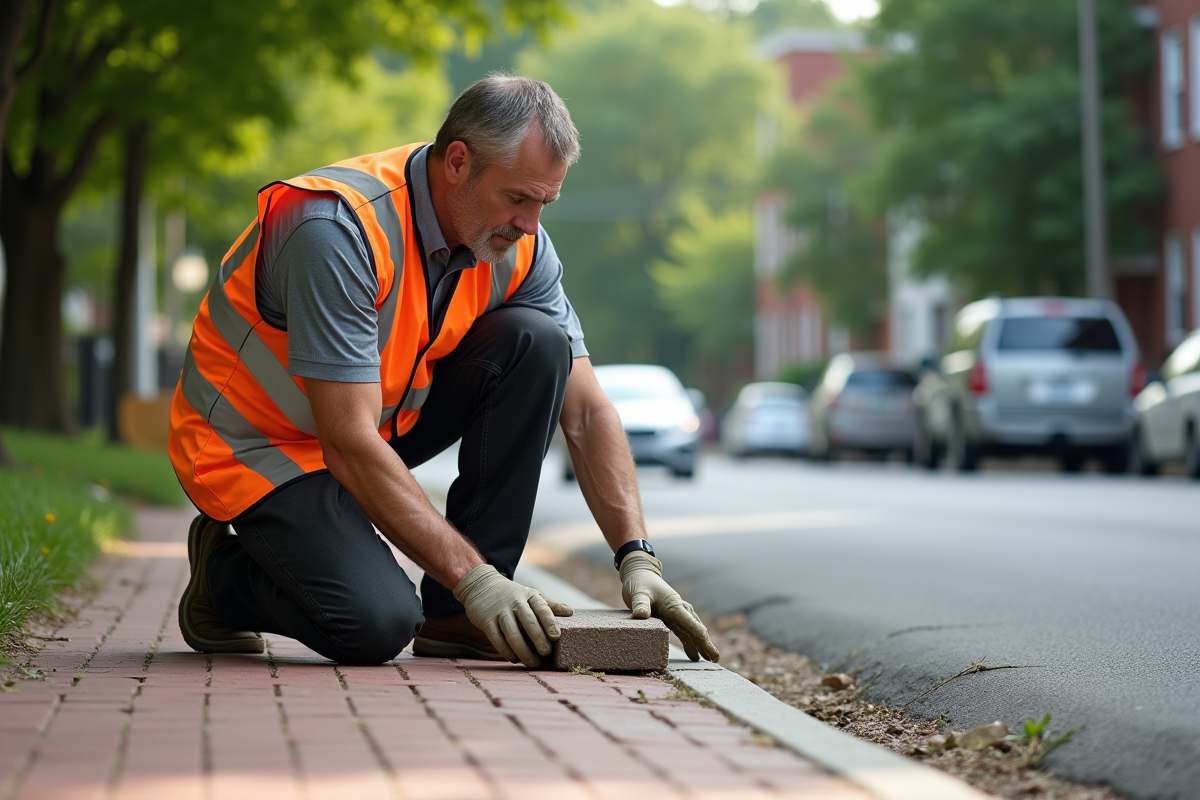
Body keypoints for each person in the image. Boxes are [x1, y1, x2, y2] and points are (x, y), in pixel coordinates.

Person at [168, 76, 719, 668]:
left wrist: (636, 556)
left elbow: (585, 410)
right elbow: (346, 441)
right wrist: (472, 576)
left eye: (543, 203)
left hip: (369, 424)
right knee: (376, 624)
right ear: (458, 161)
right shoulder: (336, 229)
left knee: (538, 342)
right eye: (517, 199)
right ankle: (223, 581)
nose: (531, 224)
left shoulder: (519, 243)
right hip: (256, 448)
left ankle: (456, 619)